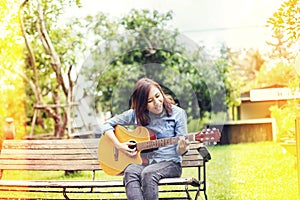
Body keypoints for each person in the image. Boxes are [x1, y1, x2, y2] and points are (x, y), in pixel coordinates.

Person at [99, 77, 189, 200]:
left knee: (148, 174)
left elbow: (180, 152)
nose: (157, 102)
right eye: (150, 101)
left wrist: (182, 148)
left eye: (158, 96)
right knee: (130, 172)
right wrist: (119, 145)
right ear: (142, 104)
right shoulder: (136, 114)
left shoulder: (178, 114)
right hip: (145, 162)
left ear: (161, 93)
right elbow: (106, 125)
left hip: (170, 163)